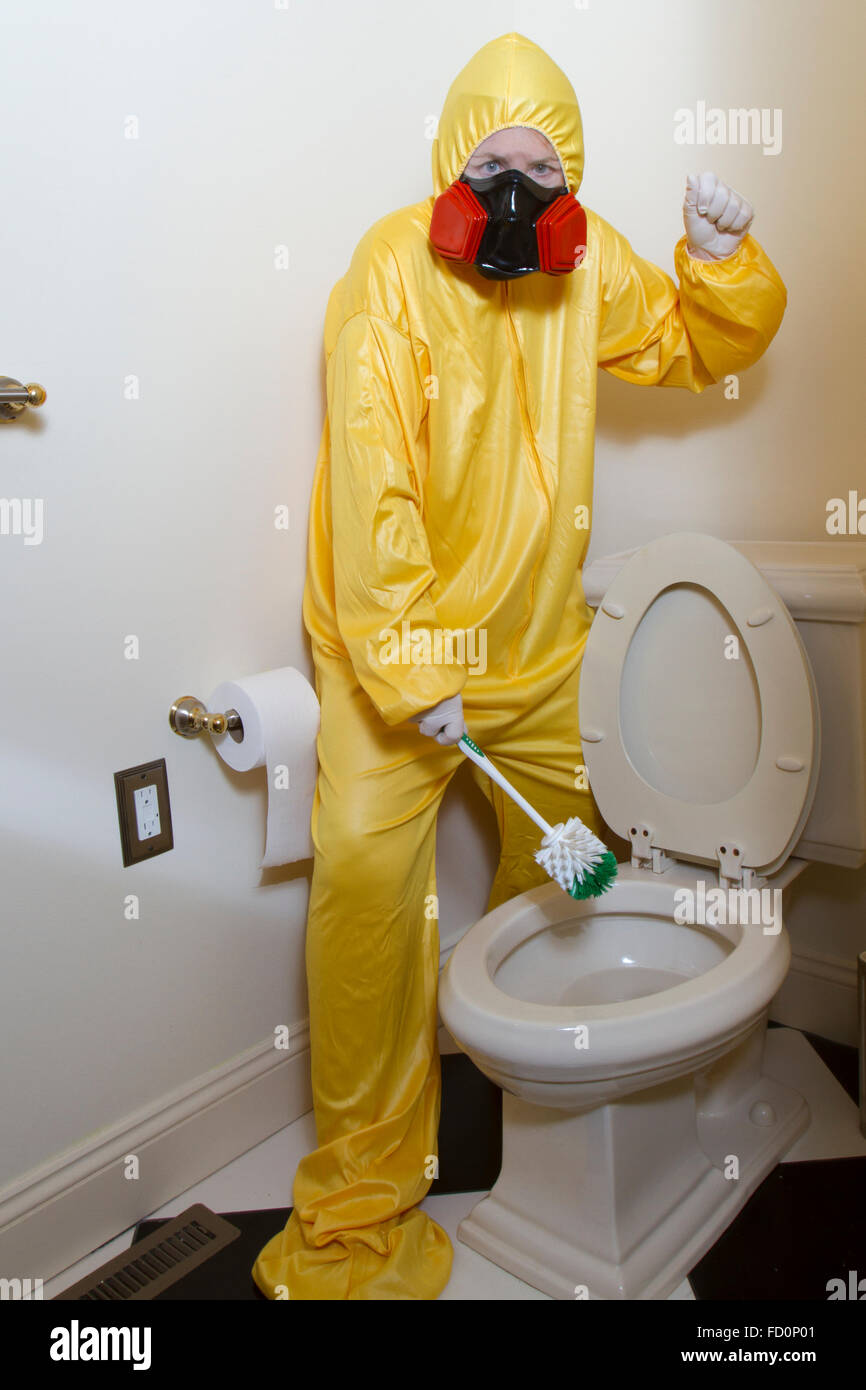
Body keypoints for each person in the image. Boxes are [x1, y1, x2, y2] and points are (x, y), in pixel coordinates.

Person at [251, 31, 786, 1300]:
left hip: (536, 654)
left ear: (575, 177)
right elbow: (372, 491)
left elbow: (685, 346)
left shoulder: (583, 263)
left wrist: (719, 269)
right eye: (489, 159)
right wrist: (403, 656)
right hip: (399, 663)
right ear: (448, 157)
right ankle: (364, 1197)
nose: (512, 189)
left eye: (540, 166)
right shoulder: (387, 271)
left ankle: (537, 1098)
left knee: (575, 870)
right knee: (367, 906)